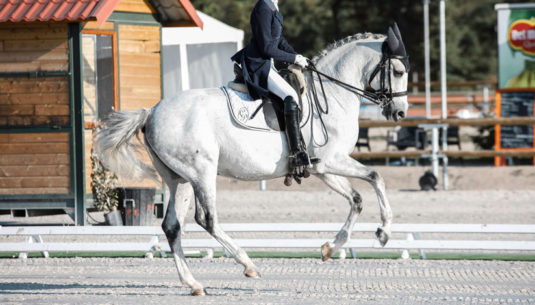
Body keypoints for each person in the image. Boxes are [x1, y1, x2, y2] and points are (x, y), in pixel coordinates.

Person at [231, 0, 314, 174]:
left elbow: (279, 40)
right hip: (258, 64)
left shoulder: (273, 6)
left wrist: (297, 56)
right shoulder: (263, 7)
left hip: (268, 63)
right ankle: (295, 153)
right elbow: (267, 47)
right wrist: (292, 60)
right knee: (290, 96)